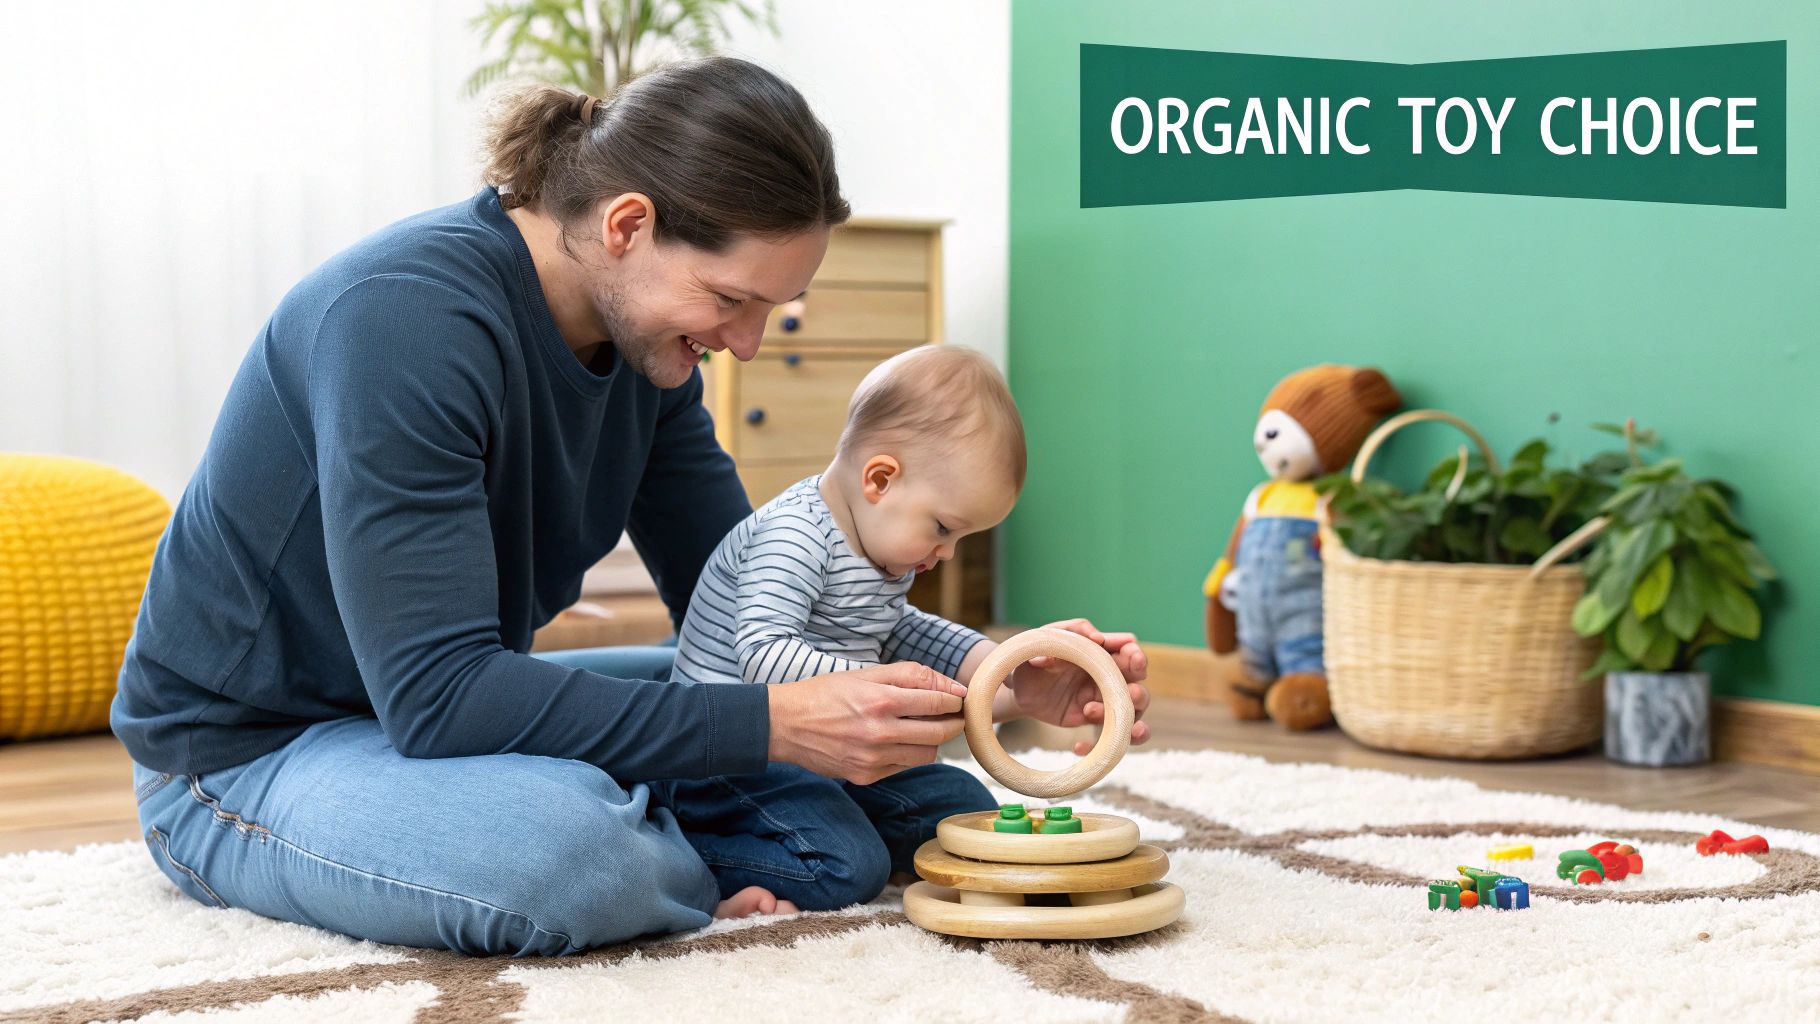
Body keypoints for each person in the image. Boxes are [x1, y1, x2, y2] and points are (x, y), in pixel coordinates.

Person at [110, 57, 1149, 957]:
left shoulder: (648, 359)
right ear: (625, 225)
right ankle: (689, 843)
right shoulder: (402, 321)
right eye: (730, 300)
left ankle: (733, 826)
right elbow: (440, 699)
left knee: (837, 711)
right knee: (570, 857)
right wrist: (775, 727)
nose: (743, 342)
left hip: (432, 712)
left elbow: (740, 603)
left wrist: (997, 680)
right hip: (250, 754)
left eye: (766, 311)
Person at [661, 346, 1148, 912]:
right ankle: (689, 861)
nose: (945, 554)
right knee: (847, 867)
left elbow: (904, 631)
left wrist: (1008, 670)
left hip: (827, 761)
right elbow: (763, 655)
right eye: (943, 528)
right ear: (880, 479)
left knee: (959, 813)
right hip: (730, 767)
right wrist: (898, 692)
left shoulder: (874, 551)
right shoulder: (792, 536)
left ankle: (844, 830)